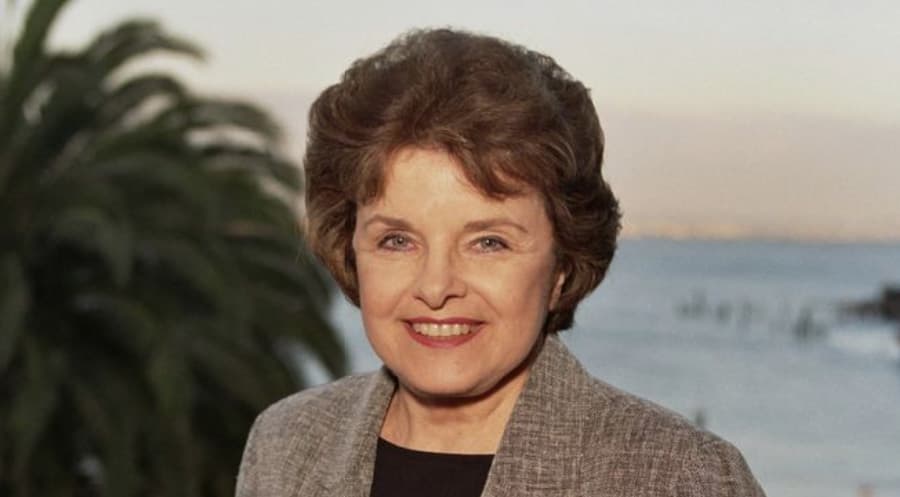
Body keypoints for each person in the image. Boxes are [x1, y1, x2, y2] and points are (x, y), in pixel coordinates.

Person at [236, 28, 766, 497]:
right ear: (349, 248)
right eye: (398, 240)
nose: (436, 286)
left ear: (562, 266)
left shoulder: (679, 478)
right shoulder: (286, 446)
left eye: (488, 242)